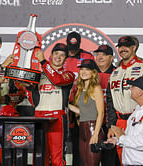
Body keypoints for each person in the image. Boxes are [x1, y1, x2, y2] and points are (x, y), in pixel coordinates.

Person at [25, 43, 75, 166]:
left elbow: (57, 80)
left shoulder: (68, 74)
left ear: (65, 59)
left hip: (57, 117)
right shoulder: (39, 76)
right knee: (39, 158)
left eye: (62, 55)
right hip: (39, 116)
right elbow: (35, 102)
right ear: (51, 55)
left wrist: (43, 62)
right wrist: (29, 89)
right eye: (56, 54)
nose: (58, 57)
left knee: (57, 159)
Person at [106, 36, 143, 165]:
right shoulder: (114, 72)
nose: (123, 49)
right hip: (119, 121)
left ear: (134, 47)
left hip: (140, 120)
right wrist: (111, 125)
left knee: (139, 157)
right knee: (123, 160)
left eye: (126, 46)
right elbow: (110, 100)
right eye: (120, 47)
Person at [64, 31, 95, 166]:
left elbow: (93, 78)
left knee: (81, 143)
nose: (72, 52)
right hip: (63, 104)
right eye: (70, 49)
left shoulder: (87, 56)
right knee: (61, 142)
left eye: (75, 49)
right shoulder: (60, 55)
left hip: (80, 105)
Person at [68, 59, 104, 166]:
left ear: (93, 72)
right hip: (82, 130)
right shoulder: (80, 89)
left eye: (87, 69)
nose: (83, 72)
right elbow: (83, 112)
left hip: (92, 130)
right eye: (81, 69)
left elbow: (101, 113)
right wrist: (66, 105)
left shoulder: (96, 88)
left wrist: (96, 134)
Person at [106, 76, 143, 165]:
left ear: (140, 92)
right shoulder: (136, 111)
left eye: (133, 86)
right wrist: (116, 140)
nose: (130, 88)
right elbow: (129, 136)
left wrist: (121, 138)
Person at [94, 45, 119, 166]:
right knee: (90, 158)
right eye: (98, 54)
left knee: (110, 159)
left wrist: (112, 123)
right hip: (92, 123)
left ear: (111, 57)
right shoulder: (89, 73)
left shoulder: (118, 73)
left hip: (111, 123)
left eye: (104, 54)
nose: (100, 57)